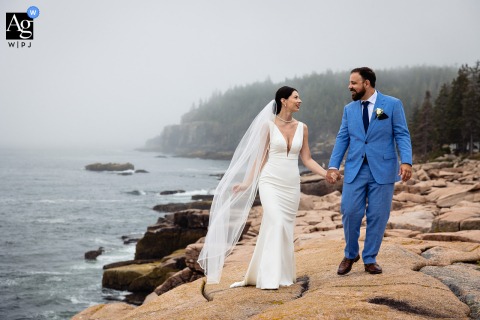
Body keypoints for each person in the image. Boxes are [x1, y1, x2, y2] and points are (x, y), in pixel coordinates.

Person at [198, 86, 327, 289]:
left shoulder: (303, 127)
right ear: (283, 101)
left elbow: (307, 159)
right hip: (270, 181)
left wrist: (326, 173)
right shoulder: (267, 126)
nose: (300, 100)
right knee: (275, 221)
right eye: (296, 97)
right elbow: (260, 158)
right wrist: (247, 182)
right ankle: (269, 278)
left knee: (283, 227)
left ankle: (281, 274)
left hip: (291, 184)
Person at [326, 67, 412, 275]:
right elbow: (342, 138)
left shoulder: (392, 104)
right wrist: (333, 166)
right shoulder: (349, 109)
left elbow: (401, 134)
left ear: (367, 83)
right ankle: (350, 253)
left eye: (353, 83)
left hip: (383, 168)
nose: (350, 87)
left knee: (378, 215)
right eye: (350, 83)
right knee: (349, 211)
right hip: (355, 168)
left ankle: (370, 258)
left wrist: (406, 161)